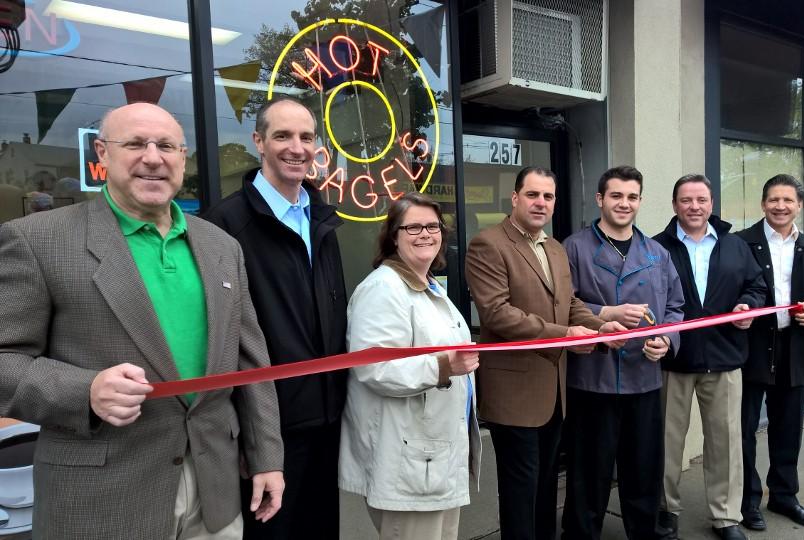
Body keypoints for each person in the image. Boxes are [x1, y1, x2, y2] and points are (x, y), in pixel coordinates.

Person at [0, 102, 284, 539]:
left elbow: (252, 363)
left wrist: (266, 456)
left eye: (167, 146)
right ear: (102, 154)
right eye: (135, 143)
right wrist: (86, 391)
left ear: (182, 158)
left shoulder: (221, 247)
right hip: (102, 500)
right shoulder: (38, 240)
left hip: (215, 493)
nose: (153, 157)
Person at [204, 96, 347, 539]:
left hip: (327, 421)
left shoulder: (322, 219)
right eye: (282, 135)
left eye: (306, 137)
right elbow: (220, 341)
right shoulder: (224, 226)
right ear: (258, 142)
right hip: (269, 434)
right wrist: (249, 437)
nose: (296, 147)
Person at [465, 166, 628, 540]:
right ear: (515, 198)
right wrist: (565, 336)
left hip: (554, 391)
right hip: (514, 393)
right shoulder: (488, 244)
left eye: (548, 196)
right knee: (520, 492)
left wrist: (601, 328)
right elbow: (498, 314)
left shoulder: (555, 248)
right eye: (533, 194)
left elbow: (568, 303)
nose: (541, 203)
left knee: (544, 490)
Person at [339, 193, 480, 540]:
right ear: (393, 236)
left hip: (434, 460)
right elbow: (375, 368)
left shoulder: (428, 285)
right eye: (413, 227)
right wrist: (444, 367)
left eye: (432, 226)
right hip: (410, 463)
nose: (425, 234)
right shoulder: (383, 290)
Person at [561, 165, 684, 540]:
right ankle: (581, 533)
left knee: (643, 468)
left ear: (641, 201)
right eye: (616, 195)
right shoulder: (575, 247)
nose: (624, 203)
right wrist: (602, 316)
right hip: (593, 377)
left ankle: (642, 532)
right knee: (588, 470)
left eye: (632, 197)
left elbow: (676, 308)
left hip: (644, 379)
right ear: (600, 199)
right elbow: (563, 304)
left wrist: (667, 340)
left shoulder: (657, 253)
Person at [652, 174, 767, 540]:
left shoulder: (735, 246)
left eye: (701, 200)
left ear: (711, 204)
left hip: (725, 358)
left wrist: (749, 305)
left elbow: (757, 286)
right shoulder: (657, 248)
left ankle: (726, 516)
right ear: (674, 205)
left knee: (726, 442)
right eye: (686, 200)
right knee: (667, 443)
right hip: (674, 362)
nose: (694, 207)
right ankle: (665, 509)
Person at [736, 174, 804, 531]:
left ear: (799, 206)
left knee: (788, 428)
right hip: (750, 349)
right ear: (763, 204)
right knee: (744, 430)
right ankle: (747, 501)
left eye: (788, 200)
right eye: (774, 200)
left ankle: (783, 495)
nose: (780, 206)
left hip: (795, 347)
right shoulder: (739, 243)